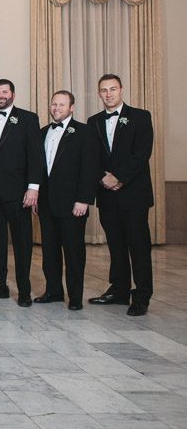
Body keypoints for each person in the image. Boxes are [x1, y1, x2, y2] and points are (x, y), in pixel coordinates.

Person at [86, 74, 155, 317]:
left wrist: (119, 177)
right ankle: (119, 289)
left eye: (112, 89)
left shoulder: (140, 116)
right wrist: (102, 179)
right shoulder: (93, 121)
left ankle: (142, 295)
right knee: (115, 245)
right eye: (103, 90)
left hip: (133, 194)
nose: (108, 94)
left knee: (138, 246)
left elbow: (142, 153)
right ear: (99, 93)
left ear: (121, 90)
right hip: (106, 194)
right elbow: (91, 157)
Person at [0, 79, 42, 307]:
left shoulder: (28, 119)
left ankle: (24, 290)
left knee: (22, 242)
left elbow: (35, 156)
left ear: (13, 94)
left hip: (19, 193)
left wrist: (33, 188)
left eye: (5, 92)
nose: (0, 95)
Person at [35, 90, 100, 311]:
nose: (56, 108)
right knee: (49, 252)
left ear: (72, 107)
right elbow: (39, 170)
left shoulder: (85, 132)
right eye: (54, 104)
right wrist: (36, 195)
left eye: (62, 105)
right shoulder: (43, 132)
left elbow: (89, 169)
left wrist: (83, 200)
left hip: (73, 204)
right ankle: (53, 291)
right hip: (46, 203)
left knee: (73, 253)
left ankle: (75, 296)